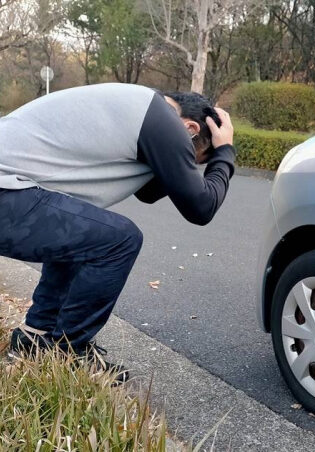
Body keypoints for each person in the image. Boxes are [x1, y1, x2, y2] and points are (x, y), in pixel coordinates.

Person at [0, 83, 236, 381]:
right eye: (196, 159)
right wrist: (224, 152)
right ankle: (68, 352)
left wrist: (190, 162)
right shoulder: (162, 120)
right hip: (5, 191)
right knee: (119, 240)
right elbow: (201, 207)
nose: (189, 164)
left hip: (9, 190)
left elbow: (148, 193)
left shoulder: (141, 108)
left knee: (87, 228)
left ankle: (35, 337)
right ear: (190, 128)